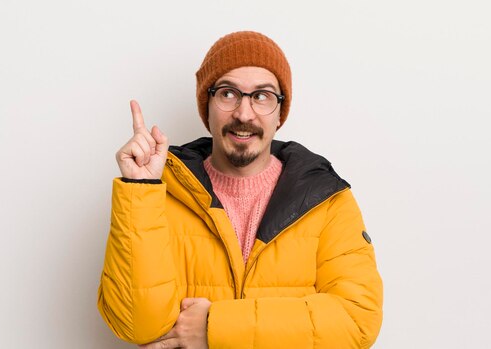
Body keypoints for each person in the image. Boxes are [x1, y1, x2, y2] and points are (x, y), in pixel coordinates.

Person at [98, 31, 383, 349]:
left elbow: (357, 322)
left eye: (262, 96)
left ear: (279, 112)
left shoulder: (327, 199)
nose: (244, 114)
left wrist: (213, 327)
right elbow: (139, 325)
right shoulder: (160, 193)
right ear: (207, 105)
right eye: (228, 93)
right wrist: (141, 189)